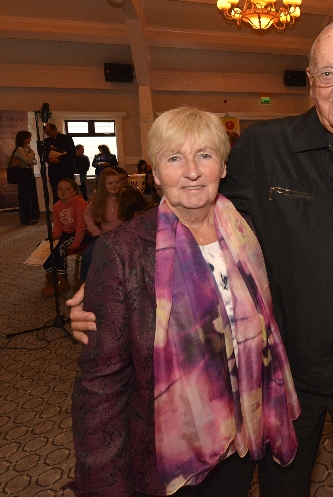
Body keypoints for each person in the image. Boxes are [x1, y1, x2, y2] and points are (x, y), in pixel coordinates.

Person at [69, 16, 333, 497]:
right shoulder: (263, 148)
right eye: (327, 74)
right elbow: (198, 211)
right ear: (311, 80)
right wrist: (112, 282)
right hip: (285, 369)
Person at [71, 106, 300, 497]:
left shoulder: (247, 233)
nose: (192, 171)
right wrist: (104, 485)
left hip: (241, 442)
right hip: (167, 456)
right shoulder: (124, 251)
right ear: (156, 174)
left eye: (205, 155)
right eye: (174, 158)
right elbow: (100, 386)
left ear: (223, 167)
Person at [42, 179, 87, 296]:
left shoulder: (80, 203)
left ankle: (63, 280)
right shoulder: (57, 206)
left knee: (59, 248)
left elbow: (81, 226)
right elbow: (58, 225)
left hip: (82, 233)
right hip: (67, 233)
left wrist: (76, 243)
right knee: (45, 246)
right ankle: (52, 278)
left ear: (74, 191)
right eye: (60, 189)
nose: (63, 192)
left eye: (67, 189)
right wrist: (54, 236)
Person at [80, 168, 123, 282]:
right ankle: (85, 285)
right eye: (110, 183)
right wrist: (95, 230)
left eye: (117, 182)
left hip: (123, 237)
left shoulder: (125, 198)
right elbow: (87, 214)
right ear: (103, 185)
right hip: (105, 236)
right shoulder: (98, 200)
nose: (114, 186)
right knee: (88, 255)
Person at [10, 130, 40, 225]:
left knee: (31, 195)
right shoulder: (20, 149)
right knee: (25, 197)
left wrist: (30, 156)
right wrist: (32, 154)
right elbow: (28, 160)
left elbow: (34, 162)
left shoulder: (26, 149)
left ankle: (33, 216)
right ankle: (26, 218)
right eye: (28, 137)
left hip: (28, 173)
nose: (30, 139)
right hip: (24, 174)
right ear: (23, 139)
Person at [43, 122, 76, 204]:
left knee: (69, 189)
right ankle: (58, 209)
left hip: (66, 169)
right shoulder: (47, 141)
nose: (48, 135)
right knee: (56, 191)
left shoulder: (66, 139)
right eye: (47, 133)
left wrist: (59, 159)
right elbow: (44, 155)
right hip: (54, 170)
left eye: (49, 132)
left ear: (55, 130)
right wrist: (49, 160)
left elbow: (72, 153)